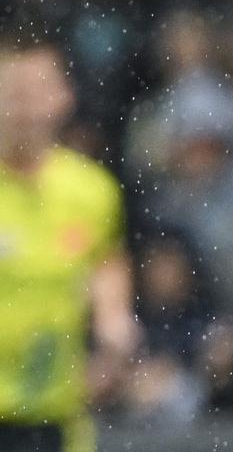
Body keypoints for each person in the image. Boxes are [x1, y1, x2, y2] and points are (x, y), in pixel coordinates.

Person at [0, 33, 139, 452]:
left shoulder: (91, 189)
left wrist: (114, 323)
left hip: (58, 419)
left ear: (63, 97)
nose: (25, 108)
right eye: (13, 92)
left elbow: (106, 262)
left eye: (37, 90)